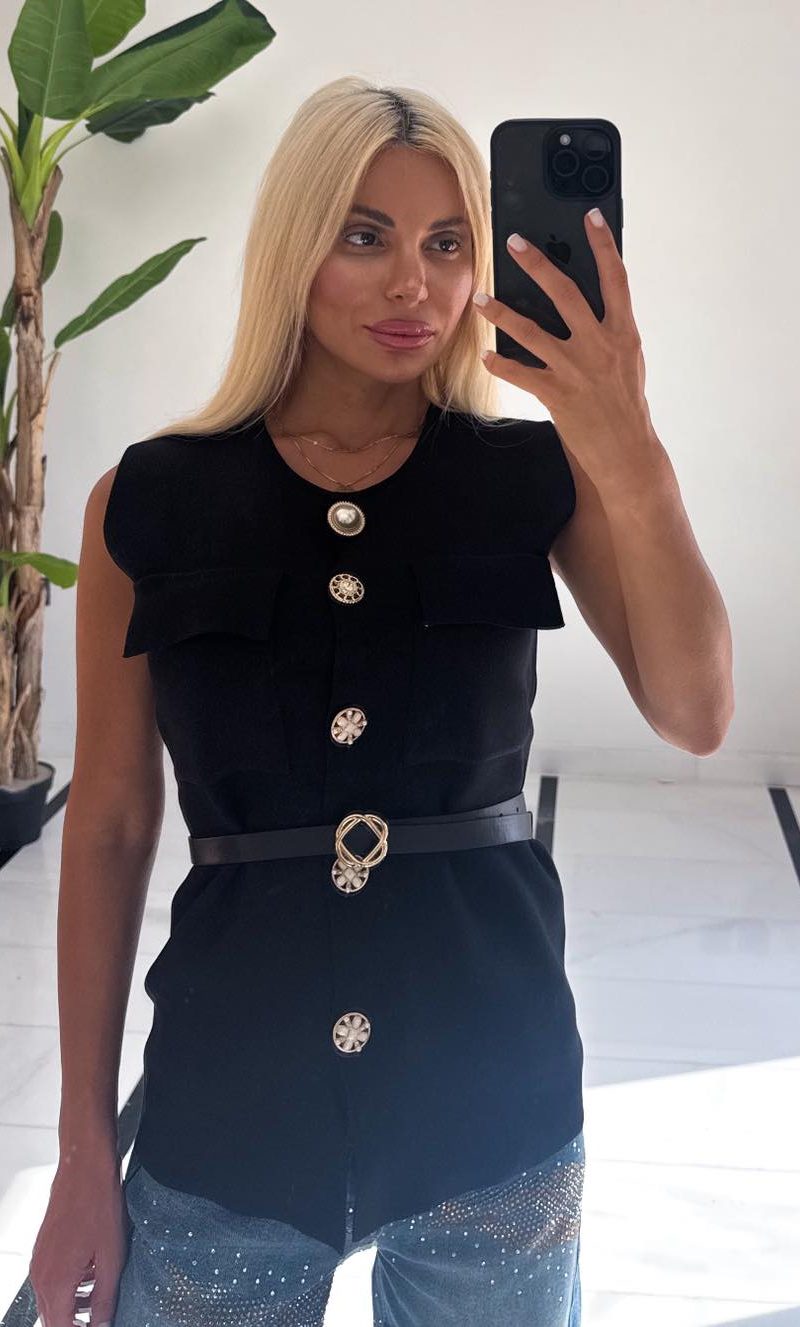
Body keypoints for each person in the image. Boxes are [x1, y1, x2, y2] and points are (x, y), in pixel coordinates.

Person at [30, 76, 585, 1327]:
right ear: (293, 244)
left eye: (447, 243)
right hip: (226, 1113)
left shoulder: (529, 474)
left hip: (494, 1116)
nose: (413, 285)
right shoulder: (147, 502)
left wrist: (619, 422)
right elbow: (109, 827)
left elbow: (697, 707)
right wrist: (81, 1154)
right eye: (364, 235)